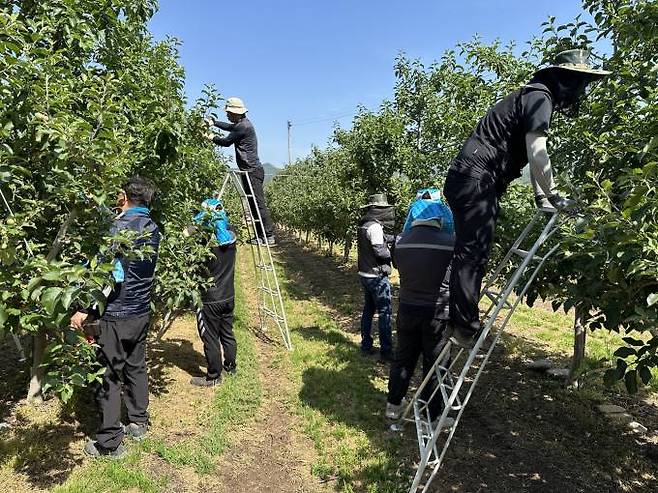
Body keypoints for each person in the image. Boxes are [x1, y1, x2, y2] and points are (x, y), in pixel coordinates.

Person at [443, 48, 610, 348]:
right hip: (476, 181)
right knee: (473, 253)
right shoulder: (541, 98)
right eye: (580, 83)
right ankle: (463, 326)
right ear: (566, 80)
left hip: (469, 180)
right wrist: (555, 195)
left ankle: (452, 319)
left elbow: (532, 159)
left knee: (468, 252)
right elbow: (538, 152)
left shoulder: (531, 95)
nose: (581, 91)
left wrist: (541, 198)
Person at [71, 176, 160, 459]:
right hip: (140, 311)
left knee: (107, 375)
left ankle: (110, 443)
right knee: (135, 366)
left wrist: (85, 307)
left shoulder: (116, 228)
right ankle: (139, 422)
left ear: (124, 196)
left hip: (116, 314)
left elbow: (108, 272)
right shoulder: (153, 227)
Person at [385, 189, 455, 428]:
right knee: (435, 364)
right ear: (442, 215)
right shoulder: (451, 243)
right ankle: (432, 414)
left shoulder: (401, 242)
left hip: (407, 308)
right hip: (437, 311)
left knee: (403, 358)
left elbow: (398, 266)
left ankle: (394, 406)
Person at [205, 97, 275, 245]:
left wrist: (210, 137)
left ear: (236, 113)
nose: (227, 115)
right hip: (248, 170)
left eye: (229, 113)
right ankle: (260, 236)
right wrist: (214, 122)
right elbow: (229, 127)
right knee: (252, 204)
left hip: (252, 171)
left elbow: (226, 142)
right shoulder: (241, 124)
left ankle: (268, 236)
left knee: (258, 204)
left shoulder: (243, 127)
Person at [187, 197, 238, 387]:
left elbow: (186, 233)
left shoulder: (204, 244)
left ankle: (214, 376)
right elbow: (222, 224)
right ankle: (230, 366)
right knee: (227, 332)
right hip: (228, 295)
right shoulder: (232, 236)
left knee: (209, 336)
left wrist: (199, 222)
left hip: (209, 299)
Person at [357, 193, 395, 361]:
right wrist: (393, 253)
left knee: (368, 310)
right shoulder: (375, 227)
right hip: (376, 276)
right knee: (385, 312)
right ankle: (386, 352)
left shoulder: (364, 225)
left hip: (365, 274)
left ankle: (366, 345)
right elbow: (380, 251)